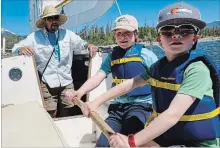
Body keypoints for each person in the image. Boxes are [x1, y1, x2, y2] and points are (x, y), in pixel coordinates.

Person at [75, 2, 220, 147]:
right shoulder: (158, 67)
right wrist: (96, 101)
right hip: (171, 136)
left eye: (185, 30)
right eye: (168, 31)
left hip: (197, 143)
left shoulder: (197, 70)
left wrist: (132, 141)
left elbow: (172, 115)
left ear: (195, 38)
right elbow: (129, 84)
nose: (176, 35)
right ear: (159, 40)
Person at [65, 14, 158, 147]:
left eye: (127, 33)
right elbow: (98, 77)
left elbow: (162, 79)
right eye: (118, 33)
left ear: (136, 34)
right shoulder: (112, 57)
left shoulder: (146, 55)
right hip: (117, 108)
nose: (122, 37)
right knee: (103, 143)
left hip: (141, 106)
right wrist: (79, 92)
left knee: (130, 137)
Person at [12, 5, 97, 118]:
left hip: (67, 81)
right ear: (45, 21)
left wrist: (89, 45)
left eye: (55, 18)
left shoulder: (68, 35)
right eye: (50, 18)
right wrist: (20, 49)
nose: (54, 21)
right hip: (47, 83)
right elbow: (15, 48)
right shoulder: (34, 37)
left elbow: (81, 44)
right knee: (50, 113)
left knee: (69, 110)